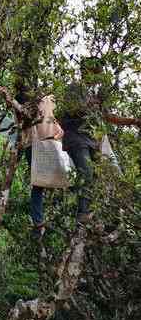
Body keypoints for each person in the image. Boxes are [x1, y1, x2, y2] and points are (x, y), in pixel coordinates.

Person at [61, 56, 141, 224]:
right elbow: (72, 109)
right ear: (88, 71)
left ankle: (96, 215)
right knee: (87, 174)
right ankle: (82, 215)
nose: (99, 77)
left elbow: (108, 116)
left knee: (101, 176)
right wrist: (93, 104)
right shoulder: (75, 87)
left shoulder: (93, 94)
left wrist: (133, 121)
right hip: (76, 138)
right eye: (97, 72)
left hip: (92, 141)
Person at [15, 94, 64, 239]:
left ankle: (38, 223)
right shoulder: (48, 99)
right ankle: (38, 222)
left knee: (38, 185)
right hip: (47, 144)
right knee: (61, 175)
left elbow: (20, 126)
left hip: (33, 146)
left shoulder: (20, 104)